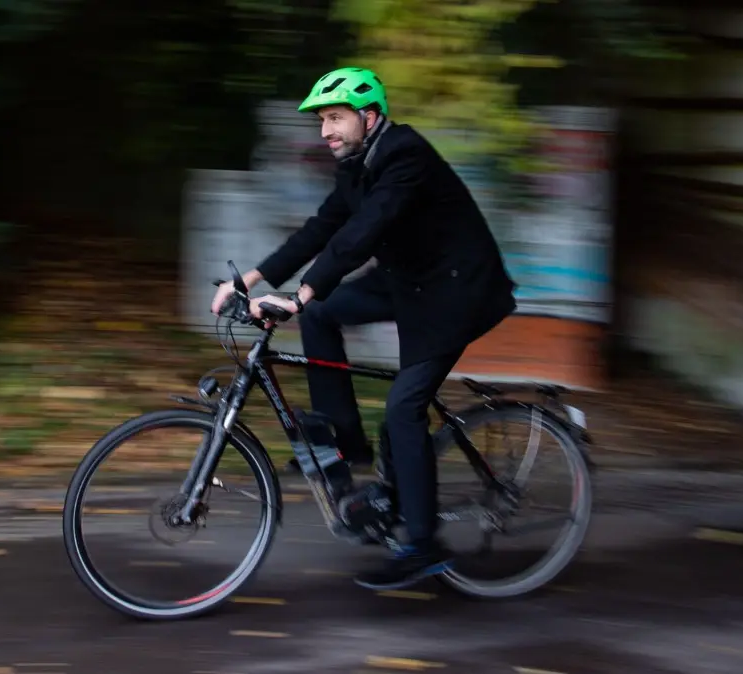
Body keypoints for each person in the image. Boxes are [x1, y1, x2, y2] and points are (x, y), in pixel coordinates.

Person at [210, 66, 517, 590]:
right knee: (326, 316)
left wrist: (302, 295)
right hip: (407, 281)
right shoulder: (355, 164)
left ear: (369, 116)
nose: (324, 131)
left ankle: (422, 545)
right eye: (321, 120)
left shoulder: (405, 155)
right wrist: (253, 278)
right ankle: (344, 442)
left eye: (334, 118)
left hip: (454, 293)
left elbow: (362, 231)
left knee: (402, 410)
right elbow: (324, 228)